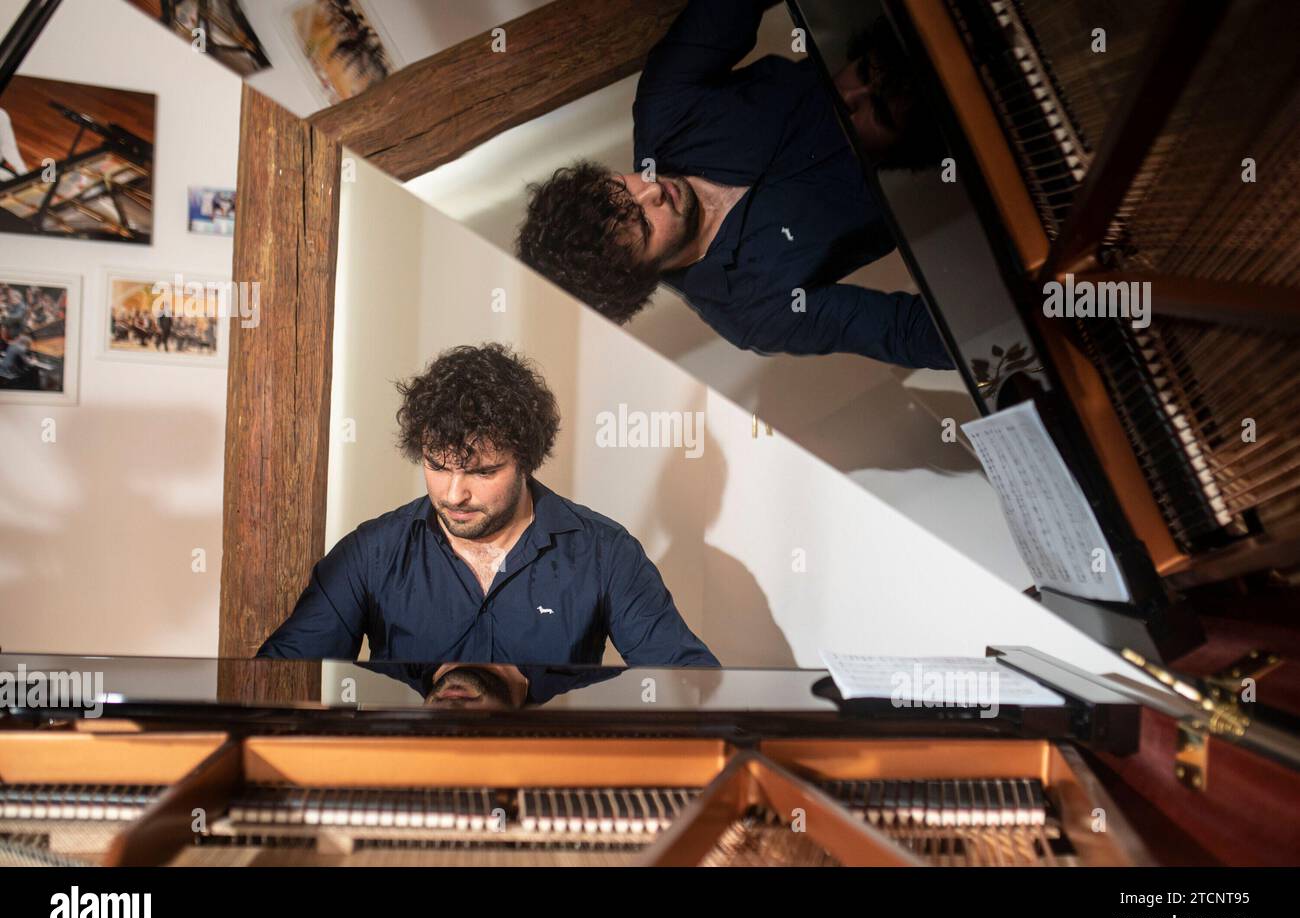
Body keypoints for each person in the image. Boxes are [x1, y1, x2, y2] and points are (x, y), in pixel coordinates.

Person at [516, 1, 951, 370]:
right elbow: (902, 330)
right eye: (645, 224)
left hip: (909, 27)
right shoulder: (753, 311)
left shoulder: (666, 103)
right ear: (642, 279)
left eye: (623, 187)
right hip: (953, 155)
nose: (651, 190)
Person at [258, 343, 719, 667]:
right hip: (411, 782)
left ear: (526, 461)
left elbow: (686, 685)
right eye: (437, 466)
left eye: (482, 473)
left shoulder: (605, 553)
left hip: (546, 786)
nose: (454, 494)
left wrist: (552, 693)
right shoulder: (371, 552)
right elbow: (282, 680)